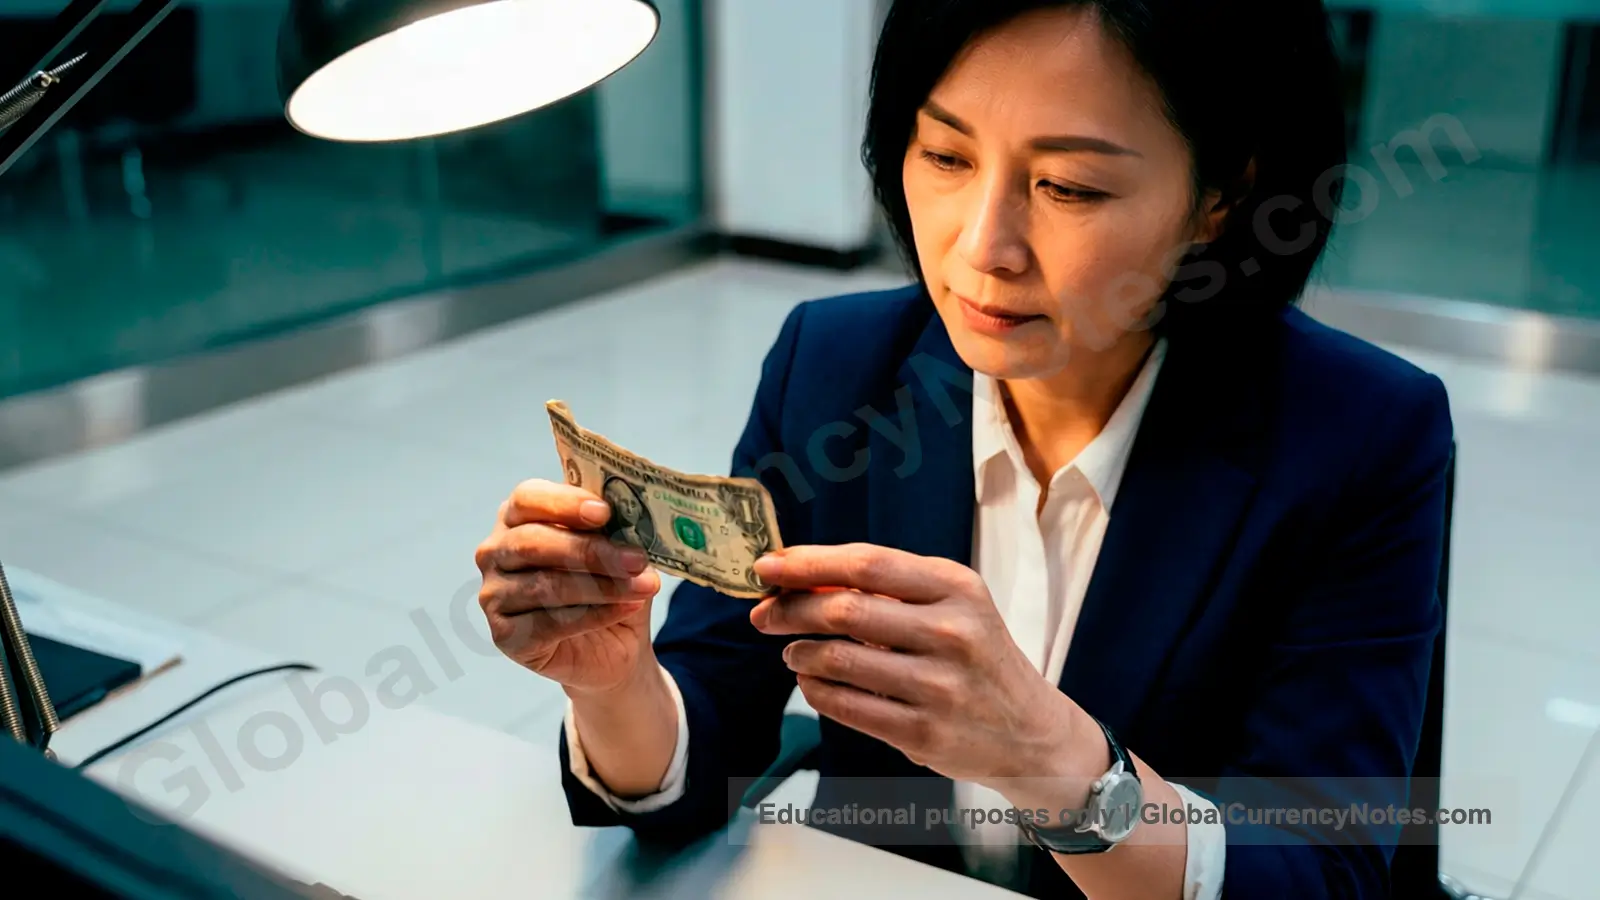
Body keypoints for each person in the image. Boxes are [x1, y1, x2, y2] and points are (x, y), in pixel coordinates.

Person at [474, 1, 1454, 897]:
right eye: (944, 157)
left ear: (1222, 197)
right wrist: (613, 686)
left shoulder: (1360, 437)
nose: (982, 244)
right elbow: (706, 731)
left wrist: (1049, 754)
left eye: (1067, 186)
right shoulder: (837, 366)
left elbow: (1322, 868)